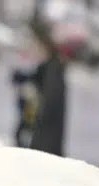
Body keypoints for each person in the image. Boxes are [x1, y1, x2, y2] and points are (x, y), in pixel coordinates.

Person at [27, 18, 67, 156]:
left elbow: (49, 106)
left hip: (46, 142)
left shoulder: (53, 70)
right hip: (45, 137)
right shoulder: (47, 68)